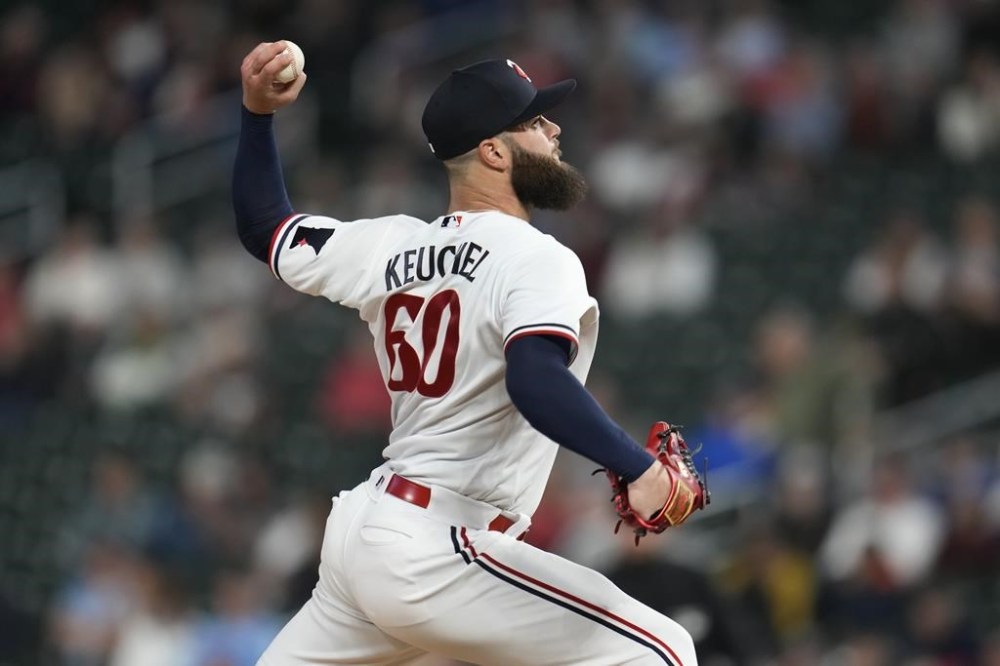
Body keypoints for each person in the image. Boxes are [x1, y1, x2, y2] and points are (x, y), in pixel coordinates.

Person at [233, 41, 698, 665]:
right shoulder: (537, 257)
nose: (554, 129)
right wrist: (636, 468)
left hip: (368, 539)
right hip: (442, 547)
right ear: (493, 151)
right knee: (662, 652)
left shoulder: (390, 247)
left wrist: (257, 115)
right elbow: (534, 381)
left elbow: (266, 224)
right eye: (534, 121)